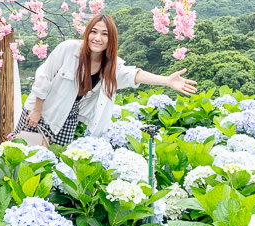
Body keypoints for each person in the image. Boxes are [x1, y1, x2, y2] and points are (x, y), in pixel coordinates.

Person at [15, 13, 197, 145]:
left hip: (68, 118)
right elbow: (43, 76)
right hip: (42, 110)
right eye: (94, 32)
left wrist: (167, 80)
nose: (97, 38)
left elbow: (134, 75)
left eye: (104, 34)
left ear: (111, 39)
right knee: (23, 157)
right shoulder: (68, 49)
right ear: (87, 33)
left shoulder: (111, 65)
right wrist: (37, 109)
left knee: (52, 164)